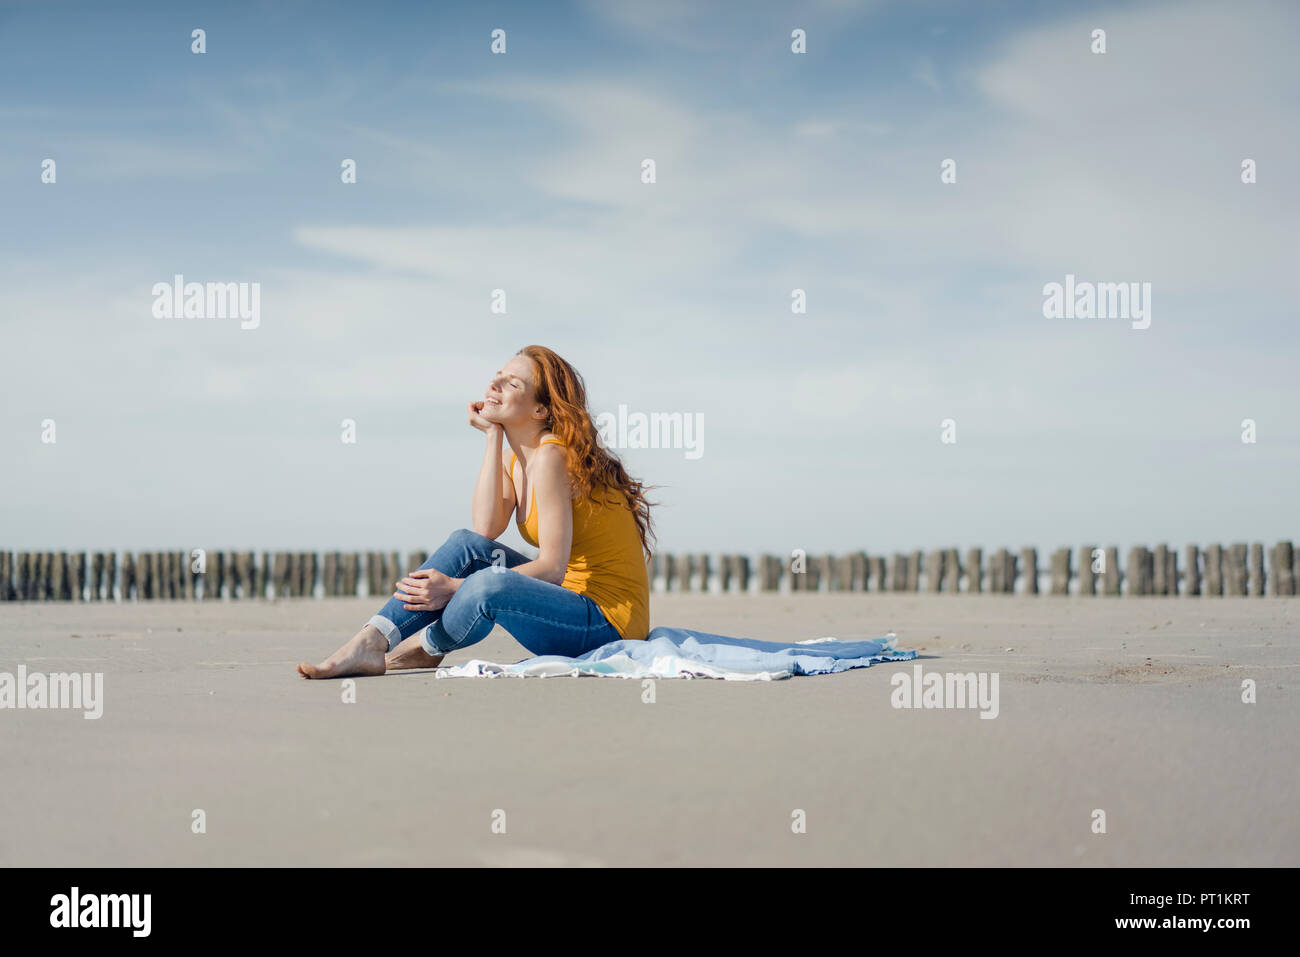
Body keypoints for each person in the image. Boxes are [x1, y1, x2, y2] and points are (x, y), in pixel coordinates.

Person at [298, 345, 655, 679]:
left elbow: (551, 568)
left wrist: (454, 588)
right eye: (497, 375)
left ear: (540, 410)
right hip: (568, 601)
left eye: (511, 383)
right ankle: (371, 640)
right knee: (465, 545)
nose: (494, 383)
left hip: (607, 623)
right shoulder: (516, 457)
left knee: (487, 584)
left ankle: (427, 646)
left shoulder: (551, 456)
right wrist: (492, 438)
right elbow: (485, 529)